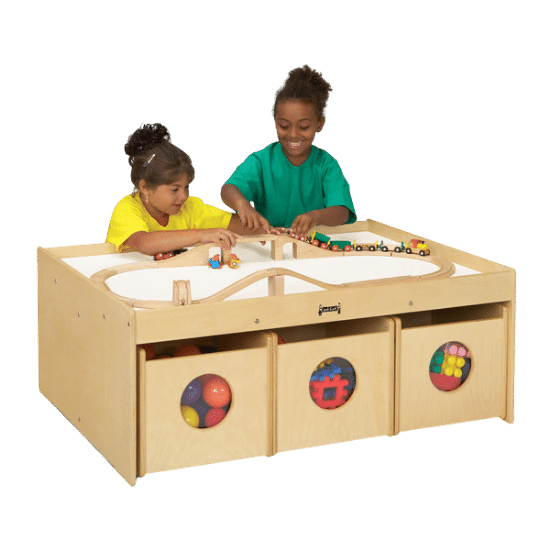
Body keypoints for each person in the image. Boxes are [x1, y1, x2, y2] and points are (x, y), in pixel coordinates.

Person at [220, 64, 356, 237]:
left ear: (319, 124)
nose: (293, 134)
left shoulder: (326, 164)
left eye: (304, 126)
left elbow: (343, 212)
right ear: (275, 122)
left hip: (312, 246)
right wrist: (242, 205)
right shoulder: (262, 161)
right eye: (284, 126)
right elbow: (229, 189)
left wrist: (317, 216)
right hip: (269, 242)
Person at [106, 123, 270, 256]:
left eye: (186, 187)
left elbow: (230, 224)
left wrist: (263, 228)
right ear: (145, 187)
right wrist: (201, 234)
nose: (184, 196)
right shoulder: (126, 208)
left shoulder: (191, 207)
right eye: (174, 189)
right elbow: (144, 242)